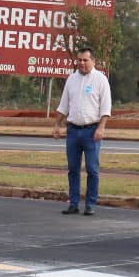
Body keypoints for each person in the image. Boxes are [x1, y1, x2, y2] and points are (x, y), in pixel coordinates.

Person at [50, 46, 112, 215]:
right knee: (73, 168)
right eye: (79, 60)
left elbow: (106, 107)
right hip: (73, 131)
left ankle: (90, 204)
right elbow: (64, 105)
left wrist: (101, 127)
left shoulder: (101, 80)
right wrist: (57, 125)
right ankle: (74, 203)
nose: (82, 63)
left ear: (93, 61)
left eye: (85, 60)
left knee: (92, 169)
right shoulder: (71, 79)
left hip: (91, 131)